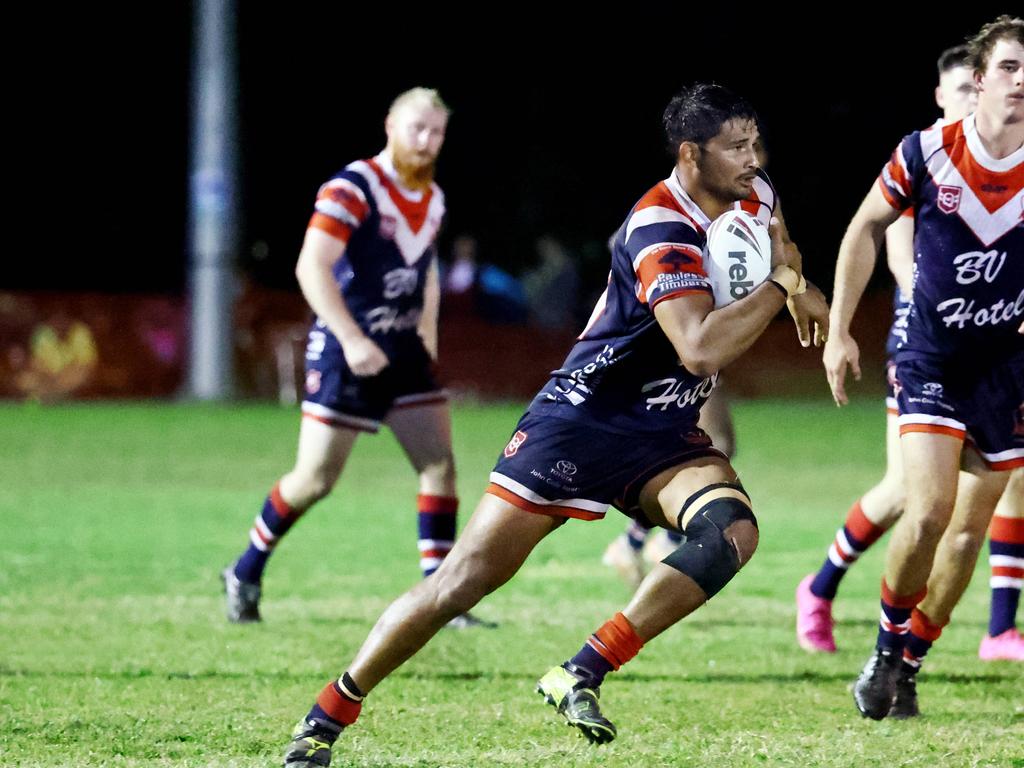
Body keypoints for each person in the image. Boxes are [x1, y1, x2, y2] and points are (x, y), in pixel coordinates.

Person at [280, 83, 830, 766]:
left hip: (659, 431)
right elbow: (701, 348)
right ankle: (327, 714)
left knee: (730, 533)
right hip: (579, 422)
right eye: (736, 146)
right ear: (691, 156)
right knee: (462, 582)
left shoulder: (757, 194)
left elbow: (784, 251)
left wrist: (813, 301)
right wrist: (782, 287)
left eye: (755, 141)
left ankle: (582, 671)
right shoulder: (659, 228)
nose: (753, 158)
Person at [221, 88, 485, 628]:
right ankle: (245, 569)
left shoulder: (431, 196)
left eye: (436, 132)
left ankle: (440, 599)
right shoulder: (353, 188)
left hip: (403, 351)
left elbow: (426, 268)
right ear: (389, 124)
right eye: (417, 128)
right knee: (315, 479)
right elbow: (311, 267)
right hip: (347, 352)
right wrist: (352, 338)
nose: (427, 141)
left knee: (439, 465)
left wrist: (427, 330)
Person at [823, 16, 1023, 720]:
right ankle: (883, 647)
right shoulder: (928, 153)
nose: (1021, 81)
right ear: (979, 80)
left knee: (970, 532)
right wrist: (840, 329)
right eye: (1009, 67)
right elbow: (862, 227)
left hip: (1005, 368)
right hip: (932, 355)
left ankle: (910, 663)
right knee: (929, 508)